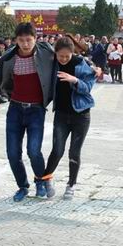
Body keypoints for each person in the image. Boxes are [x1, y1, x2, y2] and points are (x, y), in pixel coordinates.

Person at [0, 22, 56, 201]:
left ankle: (40, 181)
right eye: (21, 40)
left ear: (35, 39)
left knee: (34, 151)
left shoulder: (46, 52)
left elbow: (69, 57)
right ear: (16, 40)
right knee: (13, 153)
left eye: (29, 40)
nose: (25, 44)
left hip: (36, 111)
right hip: (15, 110)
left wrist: (91, 68)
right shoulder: (9, 58)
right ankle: (22, 186)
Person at [42, 37, 96, 199]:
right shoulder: (52, 64)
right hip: (61, 115)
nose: (64, 59)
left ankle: (71, 184)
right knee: (57, 150)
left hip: (81, 115)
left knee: (74, 152)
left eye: (67, 56)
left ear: (73, 53)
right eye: (61, 56)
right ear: (55, 53)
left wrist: (75, 80)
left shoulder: (81, 64)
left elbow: (88, 88)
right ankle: (46, 179)